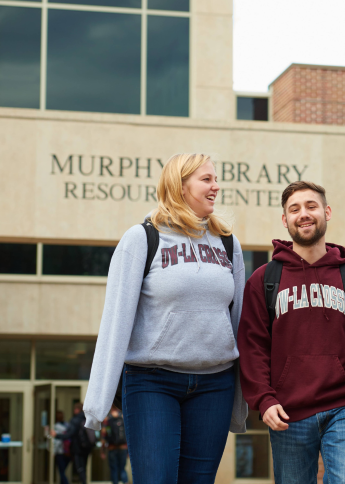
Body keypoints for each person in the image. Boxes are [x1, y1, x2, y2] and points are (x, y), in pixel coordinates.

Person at [82, 153, 248, 484]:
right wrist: (97, 405)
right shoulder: (142, 238)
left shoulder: (228, 243)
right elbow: (116, 321)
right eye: (206, 179)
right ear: (180, 185)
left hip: (215, 384)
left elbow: (238, 320)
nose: (216, 186)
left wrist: (245, 395)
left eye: (216, 179)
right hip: (152, 382)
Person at [238, 181, 345, 484]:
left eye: (311, 206)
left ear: (326, 212)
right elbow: (252, 347)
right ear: (284, 220)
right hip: (288, 411)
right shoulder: (265, 279)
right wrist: (264, 399)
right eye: (294, 209)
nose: (304, 214)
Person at [52, 402, 93, 484]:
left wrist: (56, 435)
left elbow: (69, 434)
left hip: (77, 448)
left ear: (77, 410)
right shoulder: (87, 419)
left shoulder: (75, 420)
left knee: (80, 468)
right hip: (87, 448)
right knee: (84, 468)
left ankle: (84, 482)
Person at [101, 406, 128, 484]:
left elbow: (104, 435)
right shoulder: (123, 417)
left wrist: (102, 450)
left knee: (114, 469)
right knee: (122, 468)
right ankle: (125, 482)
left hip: (111, 447)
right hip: (123, 447)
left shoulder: (107, 419)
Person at [53, 410, 71, 484]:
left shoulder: (56, 427)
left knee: (61, 472)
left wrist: (53, 452)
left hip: (60, 452)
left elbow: (57, 441)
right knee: (63, 471)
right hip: (68, 452)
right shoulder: (67, 425)